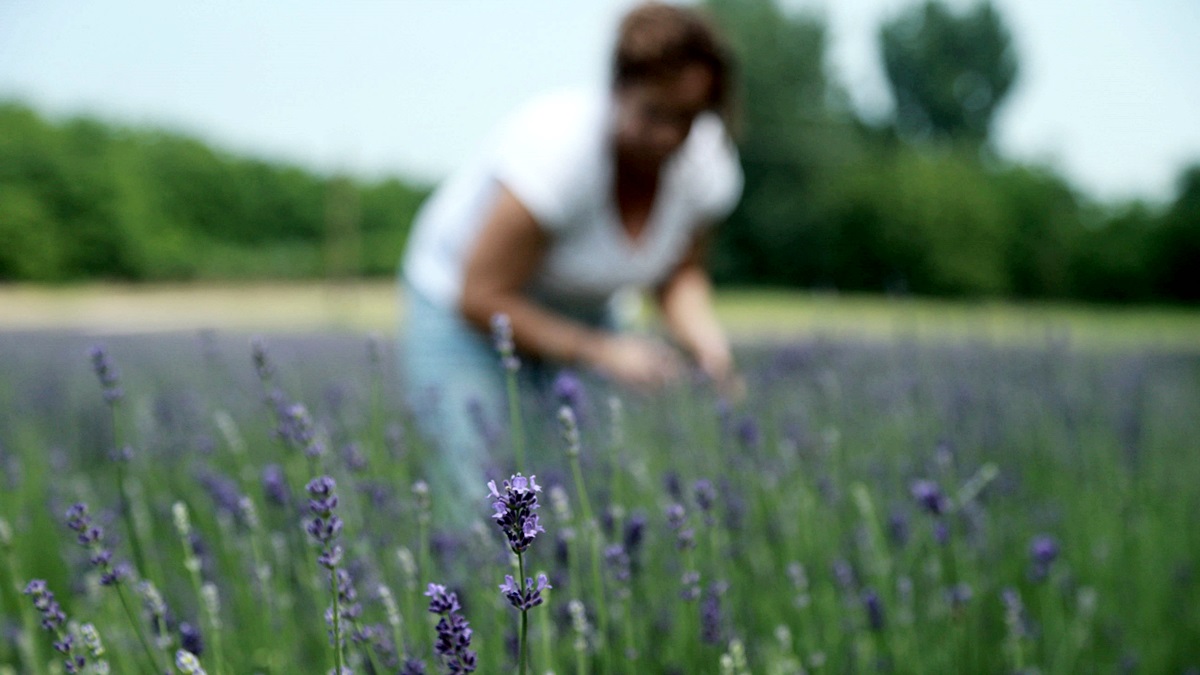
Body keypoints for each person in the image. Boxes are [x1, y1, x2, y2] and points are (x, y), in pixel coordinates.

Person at [397, 1, 743, 524]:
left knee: (574, 496)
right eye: (654, 114)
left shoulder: (704, 162)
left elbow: (678, 273)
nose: (670, 137)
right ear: (617, 91)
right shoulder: (558, 154)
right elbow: (481, 296)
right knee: (478, 499)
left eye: (689, 119)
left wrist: (708, 345)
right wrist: (603, 351)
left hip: (581, 307)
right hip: (461, 311)